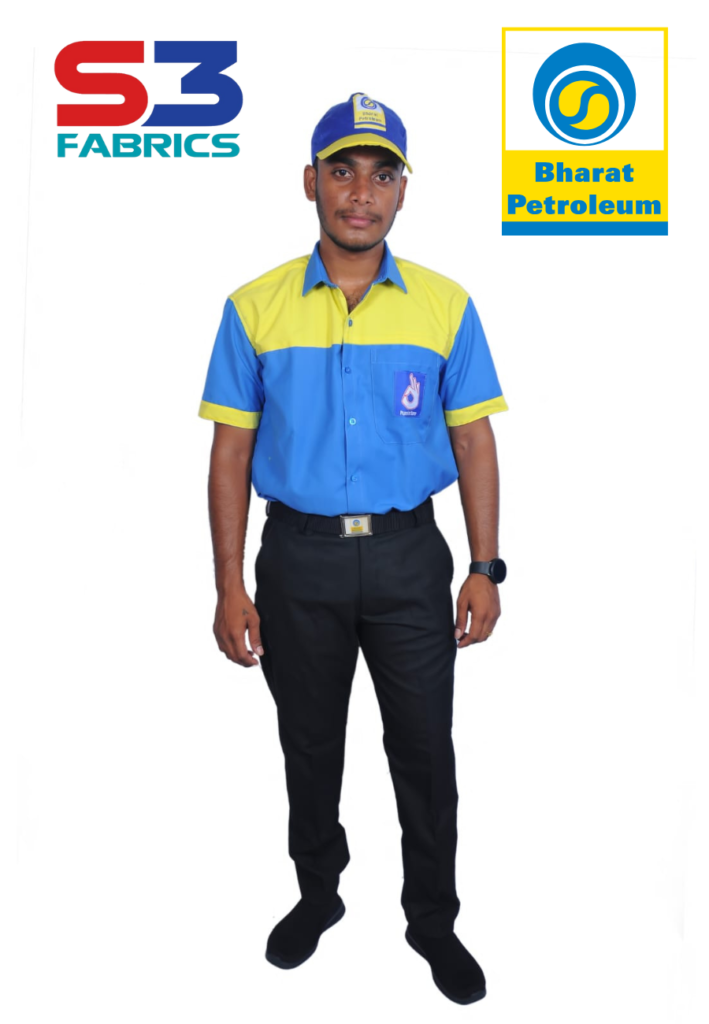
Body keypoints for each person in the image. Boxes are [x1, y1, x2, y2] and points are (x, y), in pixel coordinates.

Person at [198, 92, 508, 1006]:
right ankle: (318, 892)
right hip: (297, 564)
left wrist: (484, 566)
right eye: (341, 171)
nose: (360, 193)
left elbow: (473, 440)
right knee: (308, 744)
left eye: (380, 174)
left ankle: (432, 921)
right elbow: (230, 454)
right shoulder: (253, 308)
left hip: (411, 560)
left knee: (424, 749)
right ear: (311, 183)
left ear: (403, 190)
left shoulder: (445, 307)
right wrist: (228, 585)